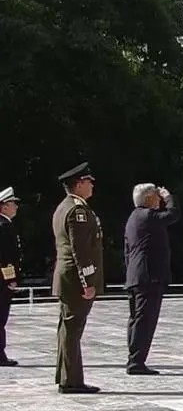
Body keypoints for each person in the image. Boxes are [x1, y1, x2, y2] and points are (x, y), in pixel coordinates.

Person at [52, 162, 104, 394]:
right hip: (75, 279)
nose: (92, 185)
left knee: (67, 329)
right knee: (72, 330)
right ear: (80, 183)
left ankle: (67, 377)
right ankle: (71, 381)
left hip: (68, 278)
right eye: (89, 181)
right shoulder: (77, 211)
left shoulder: (64, 207)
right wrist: (88, 283)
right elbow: (80, 250)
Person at [123, 183, 180, 375]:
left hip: (136, 276)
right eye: (156, 196)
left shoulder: (133, 218)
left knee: (136, 319)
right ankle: (136, 362)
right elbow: (173, 215)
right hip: (148, 277)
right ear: (148, 199)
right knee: (145, 320)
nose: (159, 199)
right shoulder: (148, 216)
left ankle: (134, 358)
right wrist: (169, 197)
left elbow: (127, 251)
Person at [0, 187, 21, 367]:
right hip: (2, 281)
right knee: (1, 317)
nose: (16, 207)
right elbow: (5, 257)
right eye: (13, 203)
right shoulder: (4, 226)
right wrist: (10, 279)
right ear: (4, 206)